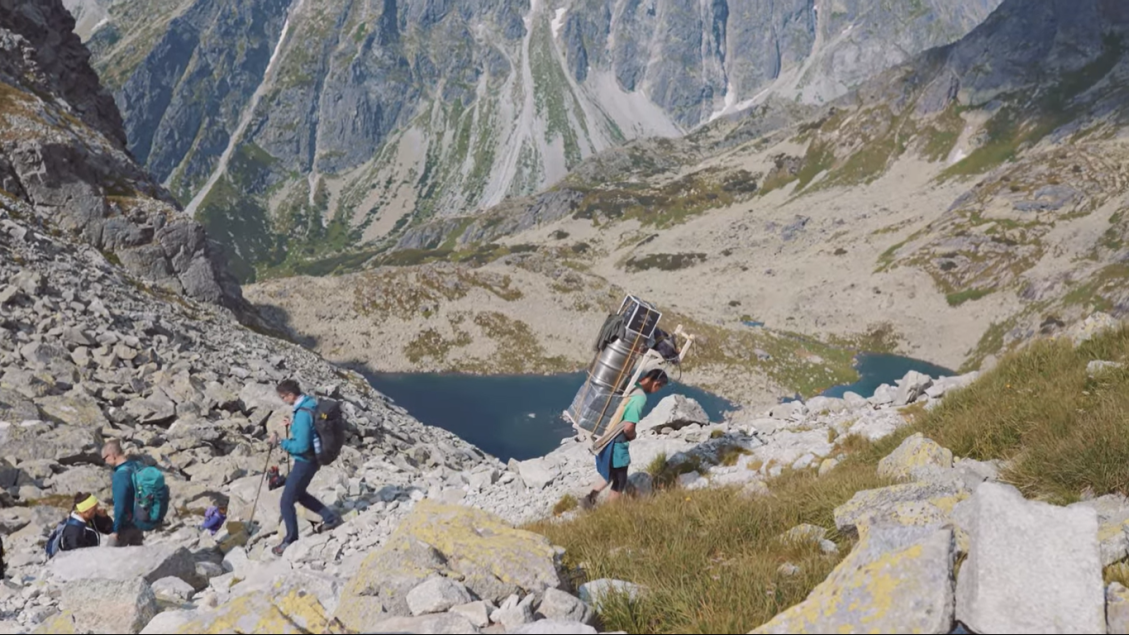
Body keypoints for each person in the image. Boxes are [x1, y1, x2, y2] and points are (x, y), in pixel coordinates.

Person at [269, 379, 342, 556]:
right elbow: (308, 429)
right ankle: (330, 518)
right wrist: (292, 425)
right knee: (300, 495)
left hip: (305, 461)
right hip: (312, 459)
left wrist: (280, 442)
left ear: (291, 395)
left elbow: (301, 446)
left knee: (286, 501)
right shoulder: (309, 403)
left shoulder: (302, 414)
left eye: (283, 397)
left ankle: (290, 539)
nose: (283, 400)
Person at [585, 368, 669, 505]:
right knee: (620, 479)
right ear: (656, 383)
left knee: (610, 472)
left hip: (604, 435)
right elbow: (629, 426)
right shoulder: (640, 397)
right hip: (617, 441)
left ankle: (589, 499)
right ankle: (610, 511)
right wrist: (632, 435)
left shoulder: (632, 385)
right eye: (659, 388)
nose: (657, 391)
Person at [101, 440, 145, 547]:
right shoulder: (137, 466)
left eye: (105, 458)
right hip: (140, 522)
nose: (105, 462)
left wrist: (116, 529)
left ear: (112, 455)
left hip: (125, 525)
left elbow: (120, 503)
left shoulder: (120, 474)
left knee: (110, 558)